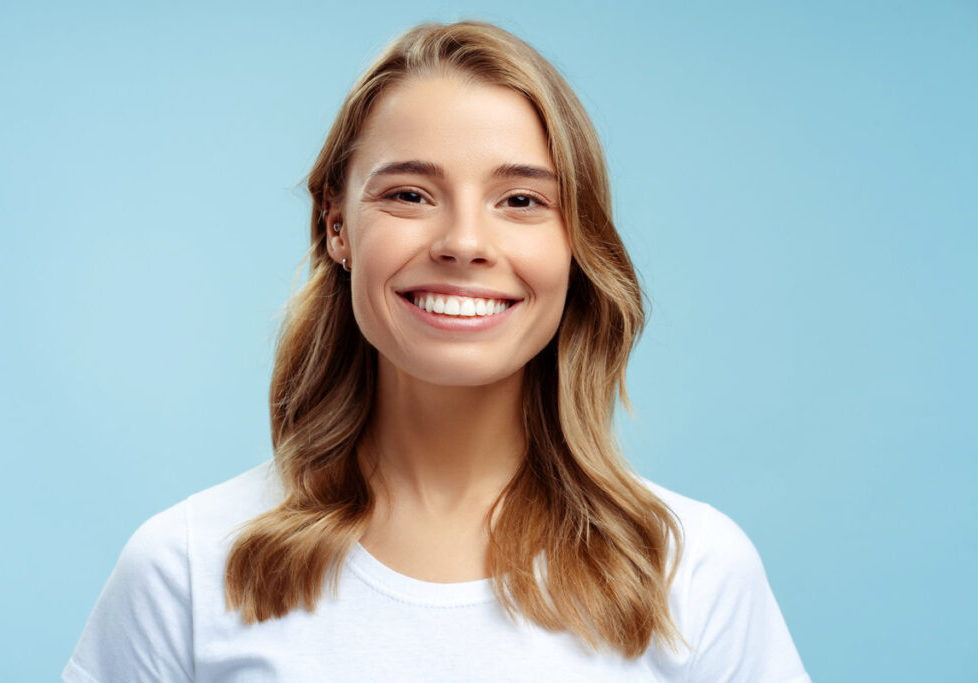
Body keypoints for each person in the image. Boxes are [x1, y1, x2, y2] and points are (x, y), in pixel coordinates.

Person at [63, 20, 809, 682]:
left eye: (521, 200)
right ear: (337, 226)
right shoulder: (188, 567)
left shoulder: (691, 573)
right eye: (410, 195)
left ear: (576, 241)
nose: (463, 243)